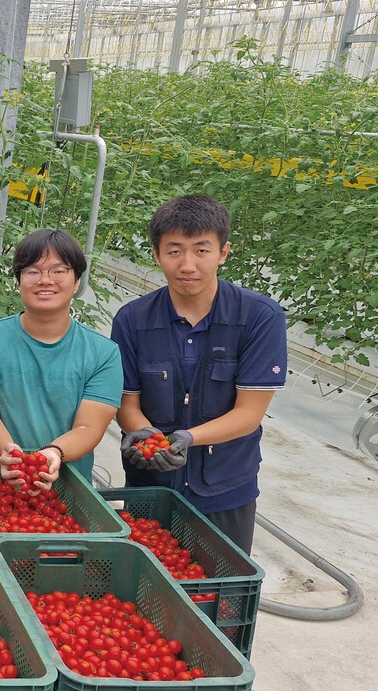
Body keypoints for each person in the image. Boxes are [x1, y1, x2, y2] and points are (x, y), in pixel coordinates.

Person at [112, 194, 287, 553]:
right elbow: (126, 402)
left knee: (216, 596)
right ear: (157, 254)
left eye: (201, 250)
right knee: (143, 593)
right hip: (150, 486)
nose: (187, 264)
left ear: (223, 252)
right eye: (174, 251)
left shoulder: (258, 317)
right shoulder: (133, 320)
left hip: (225, 490)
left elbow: (248, 414)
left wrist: (187, 438)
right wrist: (145, 435)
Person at [0, 229, 122, 493]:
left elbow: (89, 426)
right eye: (33, 271)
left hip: (70, 491)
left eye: (58, 271)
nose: (45, 280)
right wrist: (11, 454)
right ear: (18, 281)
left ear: (76, 282)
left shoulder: (103, 353)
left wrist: (54, 453)